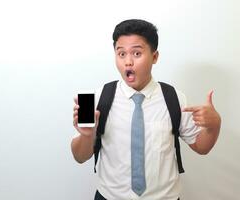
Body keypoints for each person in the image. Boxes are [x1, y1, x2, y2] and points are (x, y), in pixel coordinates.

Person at [71, 19, 221, 200]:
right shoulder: (99, 98)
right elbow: (79, 156)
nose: (128, 62)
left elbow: (202, 147)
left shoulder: (174, 98)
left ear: (155, 56)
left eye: (136, 53)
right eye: (121, 54)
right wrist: (87, 135)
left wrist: (214, 125)